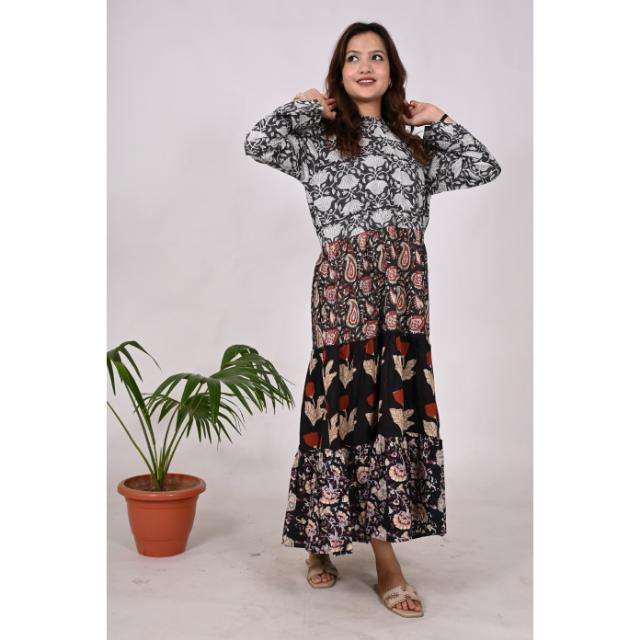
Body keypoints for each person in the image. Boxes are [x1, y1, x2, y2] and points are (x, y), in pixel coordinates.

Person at [244, 21, 501, 618]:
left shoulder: (414, 146)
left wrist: (438, 118)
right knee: (342, 412)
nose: (365, 67)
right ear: (340, 72)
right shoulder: (318, 139)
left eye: (377, 57)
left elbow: (483, 166)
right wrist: (303, 105)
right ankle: (346, 549)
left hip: (404, 298)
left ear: (392, 71)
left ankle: (357, 547)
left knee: (390, 414)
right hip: (345, 294)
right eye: (354, 58)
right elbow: (258, 142)